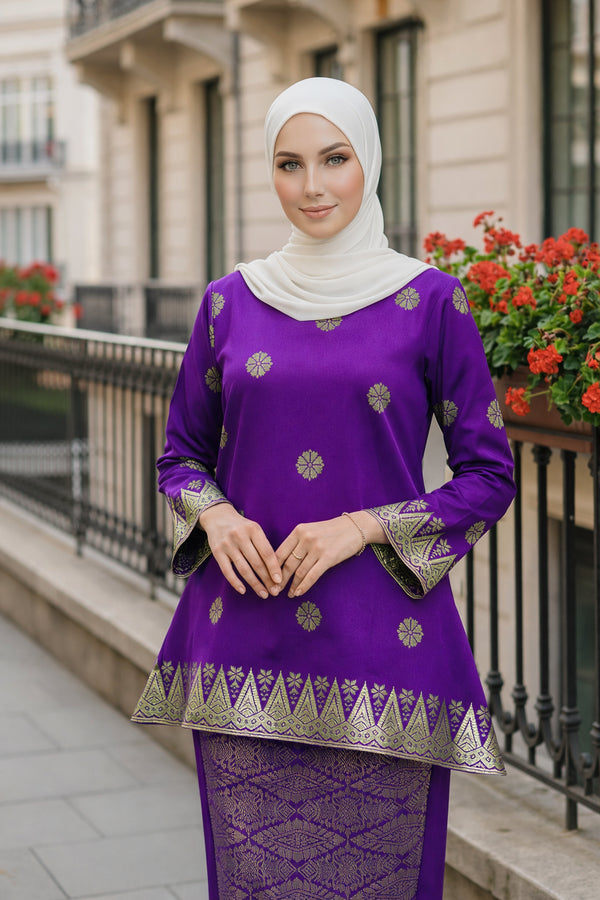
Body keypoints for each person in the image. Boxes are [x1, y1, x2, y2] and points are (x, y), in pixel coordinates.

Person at [132, 77, 516, 899]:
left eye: (334, 159)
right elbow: (180, 457)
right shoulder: (228, 303)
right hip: (242, 649)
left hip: (385, 655)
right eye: (289, 163)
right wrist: (218, 513)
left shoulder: (429, 303)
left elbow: (489, 475)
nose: (311, 186)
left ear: (368, 161)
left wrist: (364, 527)